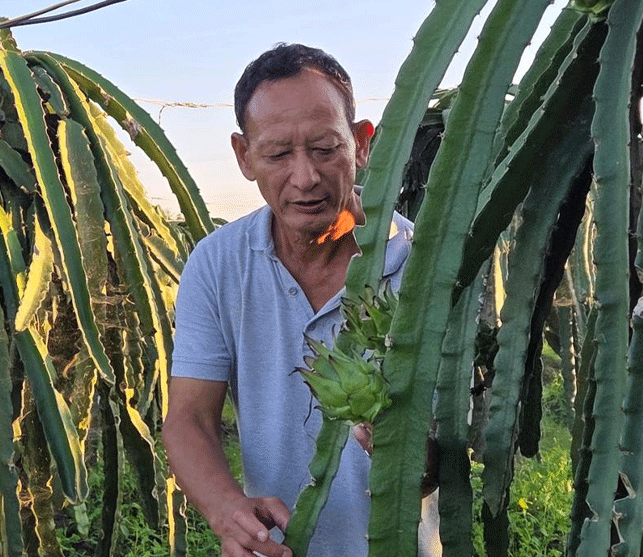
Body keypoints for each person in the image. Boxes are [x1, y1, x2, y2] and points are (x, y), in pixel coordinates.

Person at [162, 43, 439, 557]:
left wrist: (411, 455)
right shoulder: (217, 264)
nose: (305, 177)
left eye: (325, 148)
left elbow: (449, 446)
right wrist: (228, 510)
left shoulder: (427, 269)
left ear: (361, 144)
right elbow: (189, 419)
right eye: (278, 154)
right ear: (244, 156)